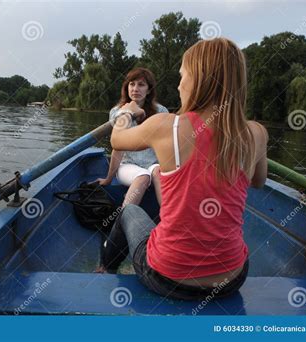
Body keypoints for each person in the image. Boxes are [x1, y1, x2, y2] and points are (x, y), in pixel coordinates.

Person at [104, 38, 268, 300]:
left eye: (183, 76)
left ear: (199, 80)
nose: (179, 85)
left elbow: (116, 140)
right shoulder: (257, 133)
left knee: (129, 211)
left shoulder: (166, 126)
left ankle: (104, 270)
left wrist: (126, 112)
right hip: (232, 278)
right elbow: (258, 181)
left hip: (167, 278)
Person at [94, 68, 168, 207]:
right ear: (126, 87)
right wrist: (109, 179)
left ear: (149, 90)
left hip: (153, 164)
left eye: (141, 85)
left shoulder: (161, 111)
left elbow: (164, 146)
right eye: (131, 84)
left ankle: (169, 223)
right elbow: (118, 147)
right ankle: (121, 222)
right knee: (143, 177)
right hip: (127, 165)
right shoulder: (118, 112)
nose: (135, 89)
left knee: (158, 173)